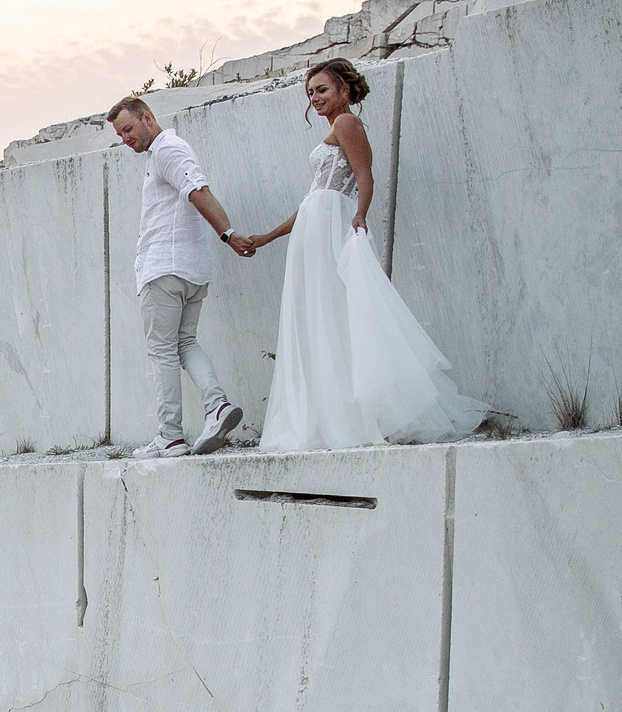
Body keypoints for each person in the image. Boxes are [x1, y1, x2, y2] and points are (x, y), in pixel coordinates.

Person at [231, 59, 489, 451]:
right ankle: (326, 415)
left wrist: (360, 215)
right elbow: (312, 198)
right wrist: (269, 236)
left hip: (332, 222)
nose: (315, 98)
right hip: (313, 226)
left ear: (344, 90)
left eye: (322, 89)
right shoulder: (334, 130)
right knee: (316, 316)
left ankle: (349, 419)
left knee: (334, 314)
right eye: (311, 92)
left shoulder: (347, 124)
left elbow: (365, 176)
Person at [109, 94, 248, 457]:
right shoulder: (165, 152)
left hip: (166, 267)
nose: (126, 139)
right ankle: (217, 406)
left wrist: (228, 234)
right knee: (184, 343)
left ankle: (170, 435)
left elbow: (199, 192)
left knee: (161, 351)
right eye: (120, 135)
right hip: (192, 268)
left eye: (128, 129)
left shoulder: (167, 149)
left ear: (147, 118)